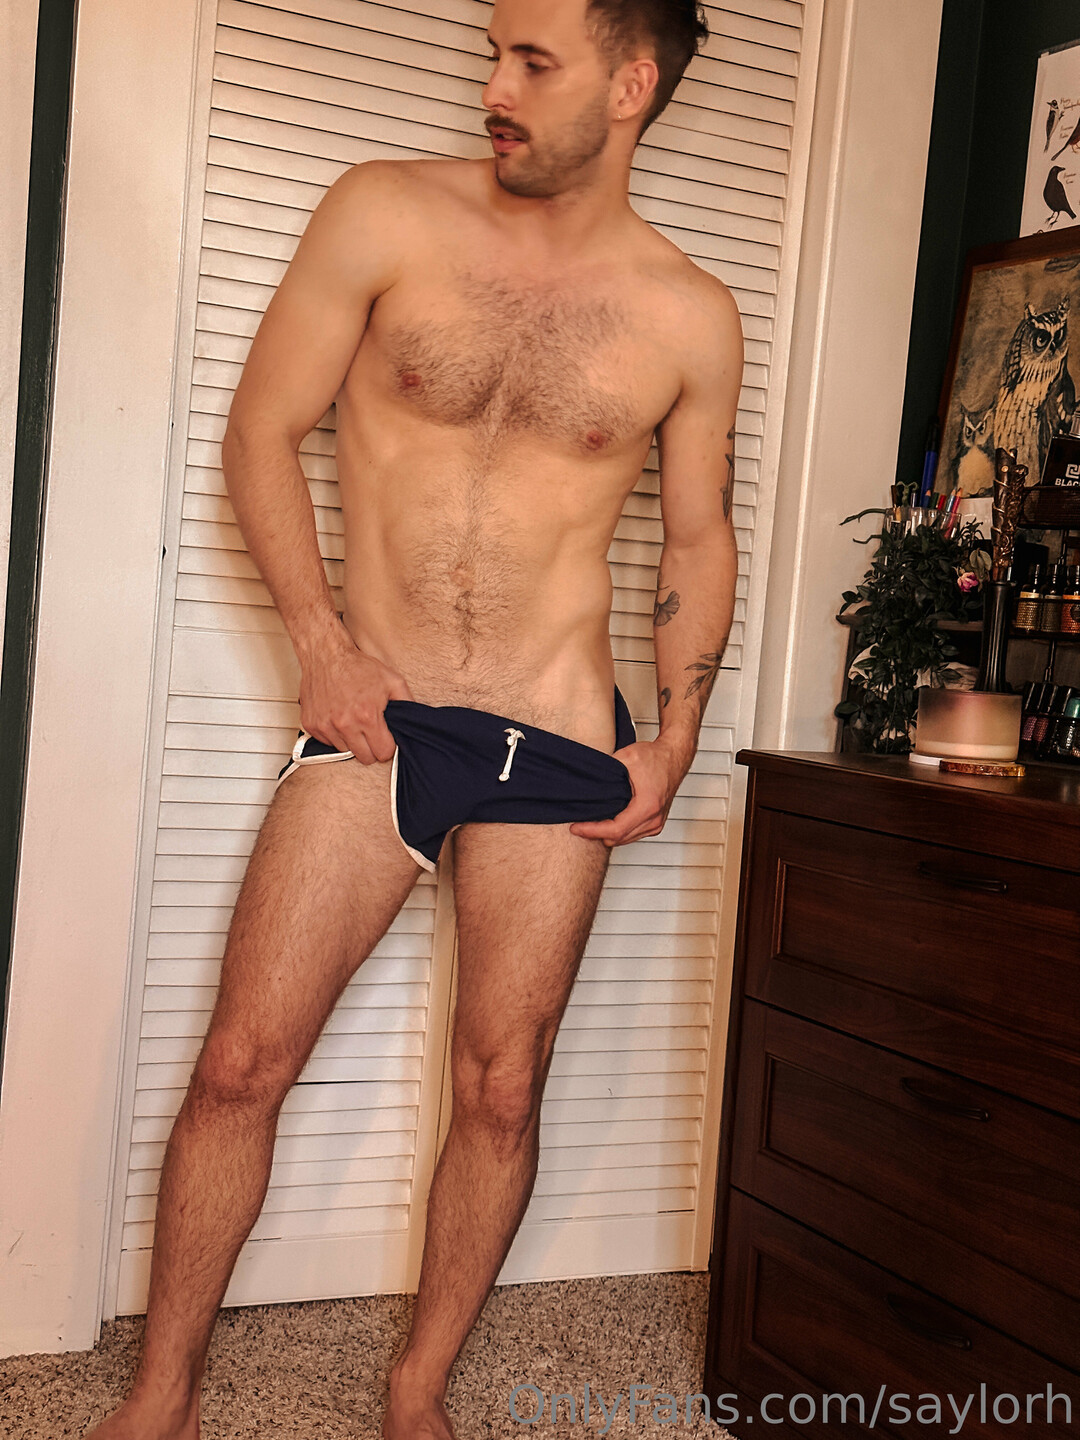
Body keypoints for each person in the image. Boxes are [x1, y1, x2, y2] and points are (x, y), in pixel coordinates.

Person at [86, 0, 742, 1436]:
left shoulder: (689, 314)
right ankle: (160, 1396)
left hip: (559, 741)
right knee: (240, 1066)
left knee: (501, 1090)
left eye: (534, 61)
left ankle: (416, 1389)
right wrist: (321, 644)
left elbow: (698, 541)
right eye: (493, 52)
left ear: (630, 84)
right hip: (380, 721)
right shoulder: (382, 213)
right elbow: (262, 429)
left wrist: (675, 738)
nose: (495, 85)